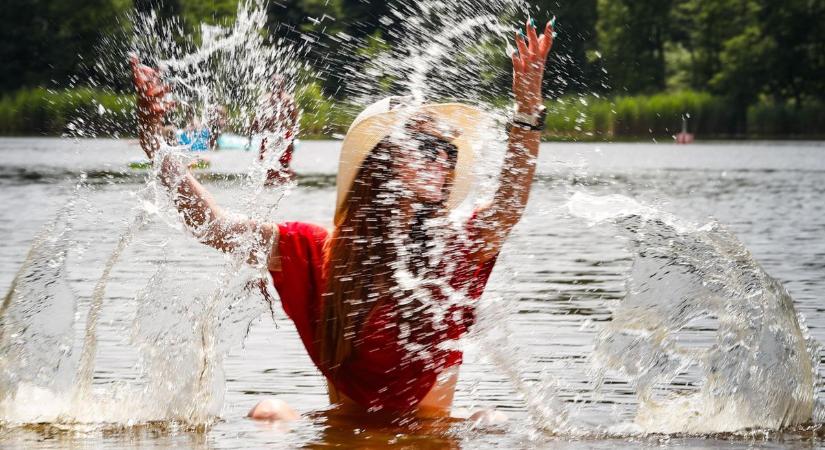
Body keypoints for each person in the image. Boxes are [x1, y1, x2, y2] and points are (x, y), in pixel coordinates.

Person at [130, 18, 554, 422]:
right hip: (345, 432)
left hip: (431, 435)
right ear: (382, 162)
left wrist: (527, 109)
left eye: (449, 152)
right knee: (268, 411)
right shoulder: (317, 251)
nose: (441, 159)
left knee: (491, 419)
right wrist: (155, 143)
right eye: (425, 146)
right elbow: (212, 224)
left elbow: (508, 205)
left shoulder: (453, 251)